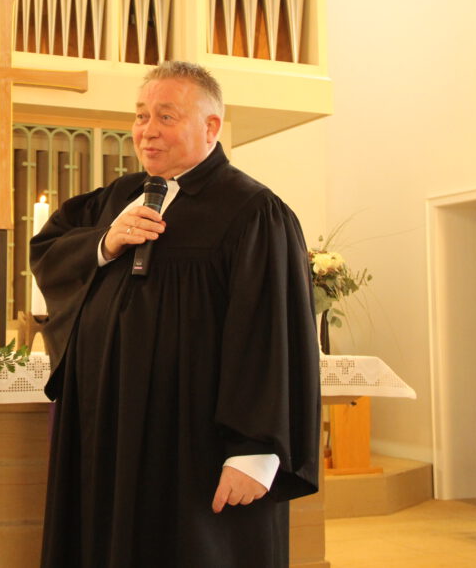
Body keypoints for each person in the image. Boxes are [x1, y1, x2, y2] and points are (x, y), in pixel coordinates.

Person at [30, 62, 321, 567]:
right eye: (141, 115)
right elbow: (49, 251)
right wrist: (105, 242)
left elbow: (270, 337)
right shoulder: (121, 197)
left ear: (211, 127)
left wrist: (254, 452)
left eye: (166, 116)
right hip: (110, 432)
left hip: (194, 445)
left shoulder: (253, 211)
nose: (147, 130)